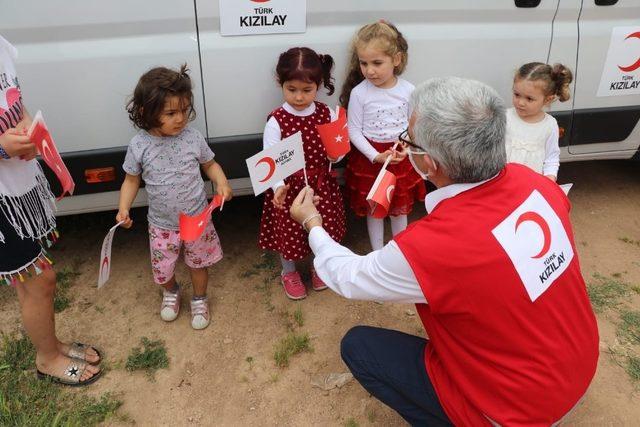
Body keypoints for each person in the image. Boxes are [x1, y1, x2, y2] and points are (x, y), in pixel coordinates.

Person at [290, 77, 599, 426]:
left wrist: (313, 224)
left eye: (409, 141)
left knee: (359, 346)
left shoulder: (429, 248)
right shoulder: (540, 186)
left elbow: (348, 278)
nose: (404, 147)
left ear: (430, 164)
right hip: (577, 367)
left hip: (515, 411)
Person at [0, 35, 102, 385]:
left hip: (17, 186)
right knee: (40, 281)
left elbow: (15, 103)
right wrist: (1, 147)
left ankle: (52, 345)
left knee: (31, 283)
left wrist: (29, 131)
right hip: (2, 202)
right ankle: (47, 359)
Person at [117, 64, 232, 330]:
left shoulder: (193, 137)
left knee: (198, 262)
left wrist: (222, 182)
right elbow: (131, 179)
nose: (180, 119)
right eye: (171, 113)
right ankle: (172, 291)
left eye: (184, 110)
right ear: (146, 112)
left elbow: (210, 164)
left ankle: (200, 298)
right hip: (161, 224)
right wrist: (124, 208)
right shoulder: (139, 145)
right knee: (162, 269)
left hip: (196, 220)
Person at [258, 47, 346, 301]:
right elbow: (270, 160)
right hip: (291, 189)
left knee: (323, 225)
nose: (298, 97)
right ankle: (289, 271)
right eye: (291, 89)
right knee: (291, 231)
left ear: (318, 85)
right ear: (281, 84)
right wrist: (278, 187)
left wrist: (335, 157)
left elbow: (337, 148)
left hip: (320, 185)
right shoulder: (277, 120)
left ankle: (319, 265)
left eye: (306, 90)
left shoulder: (326, 113)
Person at [339, 21, 426, 251]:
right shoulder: (360, 93)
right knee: (375, 209)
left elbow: (412, 125)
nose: (369, 70)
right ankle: (377, 253)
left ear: (396, 60)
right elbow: (353, 130)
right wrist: (375, 156)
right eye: (364, 63)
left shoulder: (408, 90)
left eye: (377, 63)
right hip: (371, 161)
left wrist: (405, 148)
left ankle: (400, 249)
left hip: (398, 158)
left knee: (400, 207)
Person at [507, 62, 573, 182]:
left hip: (530, 185)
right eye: (517, 95)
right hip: (502, 183)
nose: (520, 102)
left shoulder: (549, 125)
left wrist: (550, 179)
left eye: (529, 98)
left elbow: (551, 157)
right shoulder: (504, 117)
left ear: (548, 99)